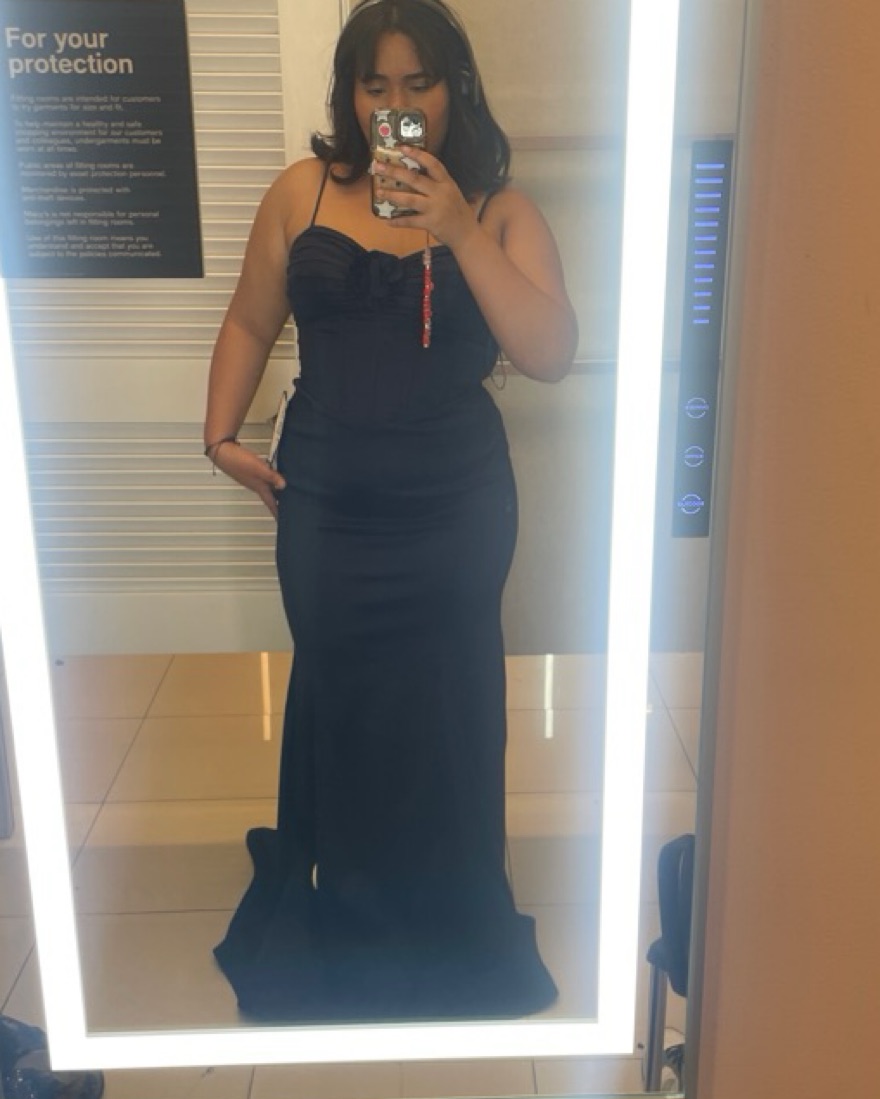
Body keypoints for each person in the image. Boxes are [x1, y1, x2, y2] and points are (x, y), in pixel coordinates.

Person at [205, 0, 577, 1023]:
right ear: (350, 94)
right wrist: (219, 436)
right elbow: (249, 319)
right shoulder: (302, 192)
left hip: (457, 508)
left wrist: (454, 225)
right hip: (325, 507)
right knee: (341, 693)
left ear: (456, 90)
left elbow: (549, 351)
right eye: (376, 86)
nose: (396, 106)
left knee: (451, 698)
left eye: (419, 85)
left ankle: (450, 913)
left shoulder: (501, 211)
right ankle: (346, 905)